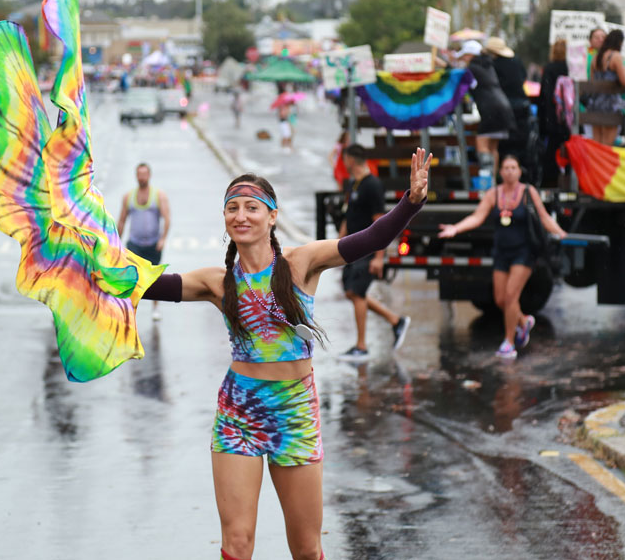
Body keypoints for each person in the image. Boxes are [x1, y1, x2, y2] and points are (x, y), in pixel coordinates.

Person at [139, 149, 431, 560]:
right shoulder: (216, 282)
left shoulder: (302, 263)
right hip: (240, 412)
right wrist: (87, 257)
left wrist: (410, 203)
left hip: (295, 410)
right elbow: (146, 285)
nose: (241, 216)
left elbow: (371, 239)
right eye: (232, 208)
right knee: (237, 544)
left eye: (251, 207)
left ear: (271, 216)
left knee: (307, 549)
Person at [437, 155, 566, 359]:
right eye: (505, 168)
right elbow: (477, 217)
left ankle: (508, 342)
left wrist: (561, 233)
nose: (509, 171)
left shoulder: (528, 192)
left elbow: (544, 217)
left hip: (523, 252)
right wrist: (455, 228)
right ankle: (524, 322)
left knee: (510, 296)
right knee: (499, 299)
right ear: (500, 172)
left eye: (513, 167)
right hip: (501, 252)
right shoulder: (494, 193)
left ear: (519, 171)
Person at [336, 143, 411, 361]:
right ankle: (396, 321)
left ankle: (361, 346)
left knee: (357, 294)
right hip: (352, 248)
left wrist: (380, 257)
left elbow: (381, 224)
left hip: (367, 249)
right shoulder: (353, 184)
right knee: (351, 292)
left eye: (345, 159)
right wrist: (336, 247)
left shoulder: (373, 185)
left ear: (350, 159)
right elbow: (347, 217)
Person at [117, 162, 171, 320]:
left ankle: (155, 308)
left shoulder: (159, 195)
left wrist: (163, 239)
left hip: (153, 244)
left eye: (144, 174)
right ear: (136, 176)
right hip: (134, 244)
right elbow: (122, 220)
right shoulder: (128, 197)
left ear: (149, 175)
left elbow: (167, 218)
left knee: (154, 278)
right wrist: (117, 242)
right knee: (132, 278)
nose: (142, 177)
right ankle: (129, 309)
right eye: (139, 174)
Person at [455, 39, 515, 176]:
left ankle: (487, 180)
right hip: (503, 107)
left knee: (481, 143)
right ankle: (492, 181)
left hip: (490, 109)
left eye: (465, 55)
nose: (463, 58)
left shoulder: (472, 68)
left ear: (471, 54)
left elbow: (459, 80)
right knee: (493, 147)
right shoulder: (487, 65)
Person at [487, 37, 533, 179]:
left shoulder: (493, 65)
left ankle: (503, 174)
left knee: (503, 143)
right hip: (522, 105)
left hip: (504, 107)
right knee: (521, 143)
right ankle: (520, 172)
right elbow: (524, 78)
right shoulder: (517, 61)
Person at [586, 29, 625, 145]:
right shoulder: (615, 56)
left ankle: (595, 163)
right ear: (619, 42)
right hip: (610, 104)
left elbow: (591, 80)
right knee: (607, 145)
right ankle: (602, 163)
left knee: (597, 143)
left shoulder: (595, 57)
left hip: (595, 104)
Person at [538, 39, 570, 186]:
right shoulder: (572, 68)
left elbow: (545, 95)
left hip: (553, 117)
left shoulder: (549, 69)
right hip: (570, 116)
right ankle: (569, 176)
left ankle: (550, 180)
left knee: (552, 151)